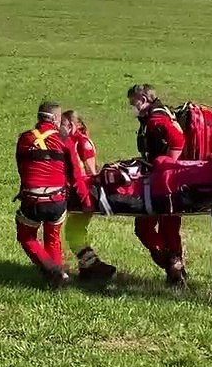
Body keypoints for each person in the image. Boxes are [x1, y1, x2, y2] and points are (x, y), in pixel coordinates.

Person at [14, 100, 89, 287]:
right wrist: (85, 200)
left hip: (32, 199)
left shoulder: (25, 138)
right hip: (56, 200)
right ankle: (57, 275)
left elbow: (22, 168)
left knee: (26, 236)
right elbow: (76, 175)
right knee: (53, 238)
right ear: (56, 119)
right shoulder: (64, 140)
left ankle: (52, 271)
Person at [127, 83, 188, 284]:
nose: (132, 106)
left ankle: (171, 265)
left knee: (144, 227)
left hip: (164, 182)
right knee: (169, 227)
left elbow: (178, 140)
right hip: (173, 181)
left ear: (143, 100)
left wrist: (166, 167)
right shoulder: (159, 114)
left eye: (133, 102)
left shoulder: (156, 119)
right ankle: (175, 269)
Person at [60, 110, 117, 282]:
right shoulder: (73, 140)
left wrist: (86, 195)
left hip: (84, 193)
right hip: (78, 192)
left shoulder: (83, 142)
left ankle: (97, 267)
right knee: (75, 231)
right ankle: (87, 269)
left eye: (62, 124)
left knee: (73, 232)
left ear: (71, 125)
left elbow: (92, 172)